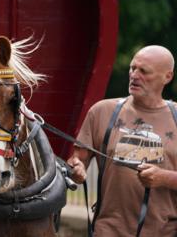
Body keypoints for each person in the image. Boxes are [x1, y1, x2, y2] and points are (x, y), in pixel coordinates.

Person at [67, 45, 177, 236]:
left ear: (167, 77)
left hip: (165, 231)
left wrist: (163, 177)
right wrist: (76, 169)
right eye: (133, 68)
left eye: (144, 71)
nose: (134, 75)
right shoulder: (101, 111)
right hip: (107, 230)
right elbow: (77, 161)